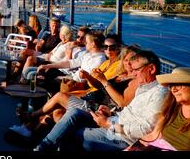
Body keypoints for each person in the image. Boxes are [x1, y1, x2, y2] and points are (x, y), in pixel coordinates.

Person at [34, 50, 170, 151]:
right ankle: (42, 147)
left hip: (122, 136)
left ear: (151, 69)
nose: (133, 73)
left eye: (136, 70)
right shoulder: (143, 88)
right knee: (74, 112)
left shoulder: (159, 93)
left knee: (72, 133)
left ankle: (41, 146)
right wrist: (111, 114)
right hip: (115, 121)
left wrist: (109, 125)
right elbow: (128, 112)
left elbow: (145, 129)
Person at [127, 67, 190, 151]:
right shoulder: (172, 108)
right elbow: (154, 135)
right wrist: (131, 148)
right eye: (171, 86)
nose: (173, 90)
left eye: (178, 85)